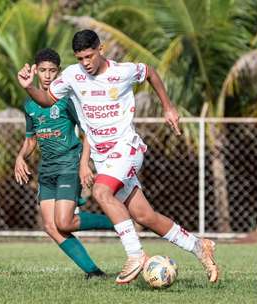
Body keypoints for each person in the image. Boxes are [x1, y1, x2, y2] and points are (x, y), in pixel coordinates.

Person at [17, 30, 219, 285]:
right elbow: (46, 100)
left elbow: (150, 72)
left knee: (102, 192)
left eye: (89, 56)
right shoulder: (71, 76)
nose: (86, 63)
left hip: (126, 148)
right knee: (145, 216)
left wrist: (168, 106)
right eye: (80, 58)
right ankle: (199, 246)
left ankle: (135, 255)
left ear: (100, 49)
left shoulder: (121, 72)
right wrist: (29, 87)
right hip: (104, 158)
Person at [14, 48, 114, 279]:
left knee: (64, 221)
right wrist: (20, 157)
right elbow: (31, 140)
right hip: (47, 170)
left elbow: (89, 130)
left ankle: (117, 222)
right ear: (36, 71)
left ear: (59, 73)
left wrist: (84, 163)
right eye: (43, 70)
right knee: (51, 226)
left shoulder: (67, 99)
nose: (47, 75)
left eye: (52, 71)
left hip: (69, 164)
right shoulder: (30, 105)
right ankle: (94, 273)